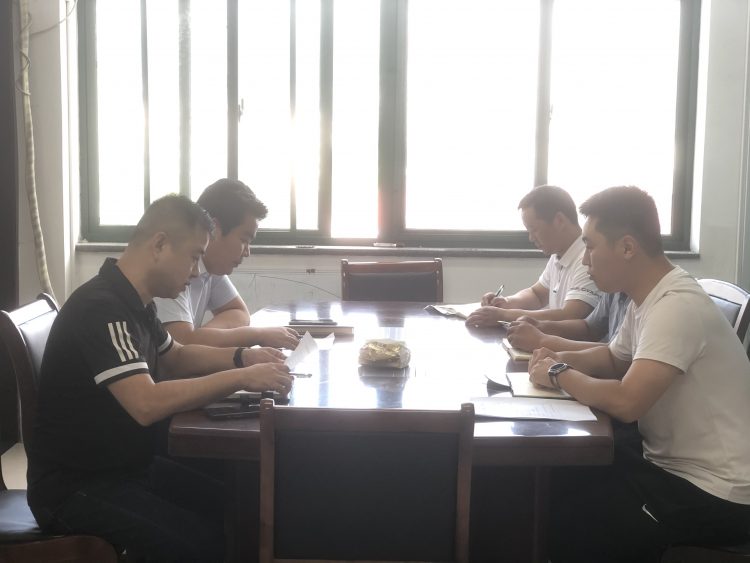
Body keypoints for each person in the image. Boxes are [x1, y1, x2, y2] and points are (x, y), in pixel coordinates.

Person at [27, 195, 294, 562]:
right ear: (160, 245)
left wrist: (243, 356)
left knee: (237, 503)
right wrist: (242, 376)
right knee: (205, 543)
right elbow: (146, 403)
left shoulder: (137, 302)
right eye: (194, 256)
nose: (196, 272)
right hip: (75, 487)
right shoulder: (102, 308)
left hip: (125, 468)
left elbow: (177, 357)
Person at [528, 186, 750, 562]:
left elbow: (627, 401)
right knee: (560, 477)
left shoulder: (676, 307)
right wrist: (552, 357)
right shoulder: (646, 298)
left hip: (716, 490)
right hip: (668, 463)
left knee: (574, 522)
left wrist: (559, 371)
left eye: (590, 246)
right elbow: (614, 359)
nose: (585, 261)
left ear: (628, 247)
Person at [154, 178, 301, 350]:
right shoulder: (176, 266)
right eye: (244, 240)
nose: (247, 252)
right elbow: (182, 345)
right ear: (215, 229)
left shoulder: (212, 269)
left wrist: (203, 335)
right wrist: (258, 335)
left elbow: (240, 313)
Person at [466, 185, 600, 327]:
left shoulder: (587, 259)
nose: (531, 238)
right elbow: (537, 294)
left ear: (559, 221)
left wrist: (504, 315)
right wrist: (506, 303)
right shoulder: (558, 254)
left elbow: (570, 315)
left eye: (534, 229)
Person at [506, 291, 630, 352]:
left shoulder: (637, 301)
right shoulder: (615, 290)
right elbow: (589, 328)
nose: (585, 260)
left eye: (590, 249)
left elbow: (614, 355)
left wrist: (542, 341)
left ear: (627, 250)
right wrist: (540, 326)